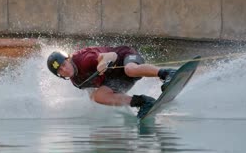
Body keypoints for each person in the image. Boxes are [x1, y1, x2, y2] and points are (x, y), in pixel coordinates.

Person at [47, 46, 176, 118]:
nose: (64, 69)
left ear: (68, 59)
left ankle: (167, 73)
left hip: (125, 58)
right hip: (118, 80)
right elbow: (93, 94)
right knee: (98, 97)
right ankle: (143, 103)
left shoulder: (84, 59)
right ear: (59, 75)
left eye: (64, 64)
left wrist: (102, 63)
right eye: (60, 70)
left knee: (130, 69)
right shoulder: (76, 82)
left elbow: (112, 55)